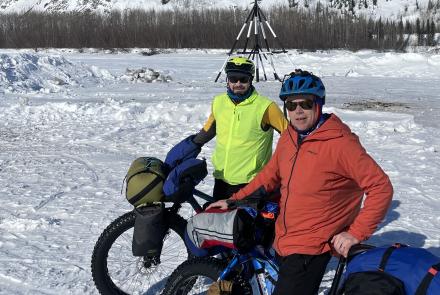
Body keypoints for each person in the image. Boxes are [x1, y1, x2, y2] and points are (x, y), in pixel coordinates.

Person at [208, 69, 394, 295]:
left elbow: (381, 188)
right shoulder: (290, 136)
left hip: (311, 248)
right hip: (284, 236)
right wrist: (233, 200)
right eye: (291, 105)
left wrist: (355, 233)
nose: (298, 112)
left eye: (305, 104)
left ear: (319, 104)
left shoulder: (340, 143)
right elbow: (270, 176)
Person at [165, 56, 288, 200]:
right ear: (227, 80)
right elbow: (207, 132)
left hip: (252, 182)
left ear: (251, 80)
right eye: (233, 78)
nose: (238, 83)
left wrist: (281, 167)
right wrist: (179, 155)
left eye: (243, 79)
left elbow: (290, 135)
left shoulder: (266, 107)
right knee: (219, 220)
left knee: (244, 223)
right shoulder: (219, 102)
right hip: (222, 179)